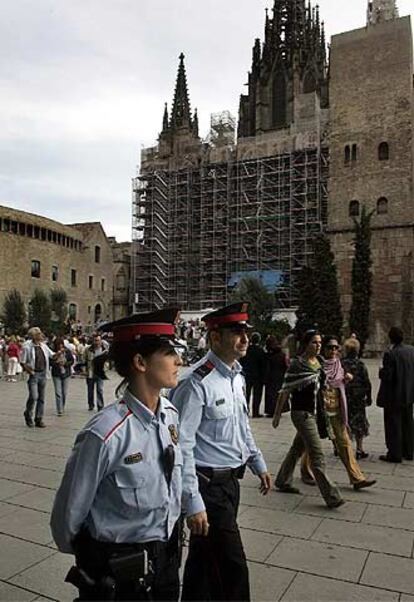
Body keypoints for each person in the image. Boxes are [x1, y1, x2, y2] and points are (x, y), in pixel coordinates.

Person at [51, 309, 192, 601]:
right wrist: (94, 563)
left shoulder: (170, 416)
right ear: (140, 362)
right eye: (169, 354)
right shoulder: (106, 433)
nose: (179, 361)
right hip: (121, 573)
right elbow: (68, 515)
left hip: (166, 561)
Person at [170, 302, 271, 602]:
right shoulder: (196, 382)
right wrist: (193, 500)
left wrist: (257, 461)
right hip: (206, 487)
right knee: (233, 568)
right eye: (236, 332)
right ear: (215, 337)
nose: (245, 338)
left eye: (246, 332)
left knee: (203, 560)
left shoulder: (236, 377)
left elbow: (241, 426)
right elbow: (182, 447)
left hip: (229, 484)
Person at [273, 330, 344, 507]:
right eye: (314, 342)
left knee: (297, 449)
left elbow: (326, 383)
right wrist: (276, 415)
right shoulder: (298, 365)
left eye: (320, 342)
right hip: (302, 414)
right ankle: (332, 496)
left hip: (315, 413)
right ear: (305, 345)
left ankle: (282, 480)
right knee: (317, 454)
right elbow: (285, 389)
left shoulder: (319, 362)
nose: (318, 345)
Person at [321, 336, 376, 489]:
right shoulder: (319, 365)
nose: (333, 351)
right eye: (330, 347)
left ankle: (357, 478)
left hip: (340, 407)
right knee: (304, 445)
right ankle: (290, 474)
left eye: (335, 348)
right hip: (321, 409)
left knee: (344, 441)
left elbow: (338, 382)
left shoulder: (339, 364)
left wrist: (345, 379)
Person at [377, 326, 414, 462]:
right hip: (408, 394)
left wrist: (381, 371)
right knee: (408, 423)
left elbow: (388, 376)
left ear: (390, 338)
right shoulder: (411, 351)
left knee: (393, 425)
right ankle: (409, 451)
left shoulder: (390, 354)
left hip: (394, 396)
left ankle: (395, 454)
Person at [341, 337, 372, 458]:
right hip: (358, 397)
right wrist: (368, 397)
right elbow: (367, 382)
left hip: (344, 396)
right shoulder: (360, 364)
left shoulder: (341, 363)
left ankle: (342, 447)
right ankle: (359, 449)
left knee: (344, 421)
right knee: (359, 422)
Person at [20, 327, 55, 428]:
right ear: (34, 336)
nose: (41, 335)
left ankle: (39, 418)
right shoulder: (27, 347)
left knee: (41, 398)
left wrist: (59, 354)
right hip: (34, 374)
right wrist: (28, 369)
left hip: (43, 373)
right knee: (34, 396)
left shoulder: (43, 346)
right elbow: (22, 361)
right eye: (39, 334)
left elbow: (52, 355)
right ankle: (28, 413)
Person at [240, 331, 267, 417]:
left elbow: (242, 361)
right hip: (257, 376)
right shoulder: (261, 351)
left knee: (246, 394)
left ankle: (246, 411)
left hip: (247, 374)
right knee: (257, 395)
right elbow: (264, 365)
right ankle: (255, 412)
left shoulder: (247, 349)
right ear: (259, 340)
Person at [264, 335, 288, 417]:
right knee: (278, 394)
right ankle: (279, 410)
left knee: (271, 395)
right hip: (280, 376)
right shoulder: (282, 354)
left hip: (271, 377)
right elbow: (285, 366)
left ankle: (271, 410)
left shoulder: (268, 354)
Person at [85, 333, 109, 411]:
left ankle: (100, 406)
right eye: (95, 340)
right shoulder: (88, 349)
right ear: (93, 341)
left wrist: (106, 366)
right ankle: (91, 404)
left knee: (100, 389)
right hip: (91, 372)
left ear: (101, 341)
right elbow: (84, 360)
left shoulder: (104, 349)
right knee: (90, 390)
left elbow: (108, 361)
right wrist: (84, 370)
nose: (97, 342)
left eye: (98, 340)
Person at [50, 337, 74, 415]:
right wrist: (57, 360)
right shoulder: (52, 352)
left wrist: (65, 364)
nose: (60, 346)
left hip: (66, 373)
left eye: (61, 344)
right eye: (58, 345)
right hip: (56, 374)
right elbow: (50, 362)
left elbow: (72, 361)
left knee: (64, 392)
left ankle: (62, 406)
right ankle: (59, 409)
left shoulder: (67, 351)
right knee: (58, 392)